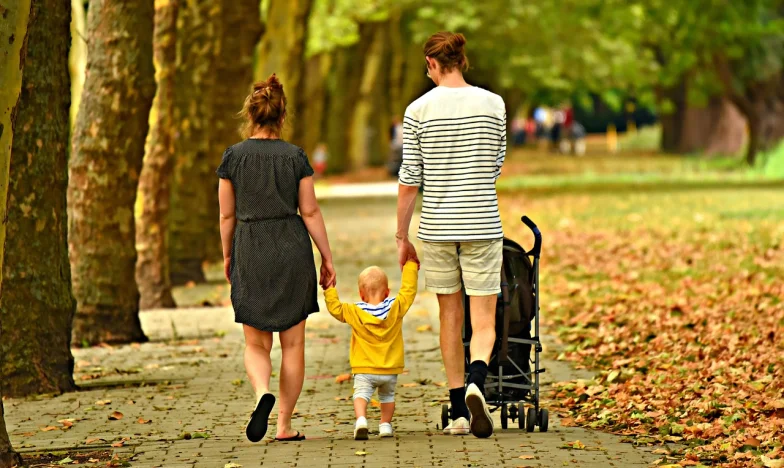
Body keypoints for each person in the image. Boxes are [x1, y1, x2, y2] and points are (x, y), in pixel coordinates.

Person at [395, 31, 506, 439]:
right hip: (481, 222)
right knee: (483, 316)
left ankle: (459, 409)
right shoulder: (493, 104)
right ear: (462, 60)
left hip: (438, 228)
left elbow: (410, 179)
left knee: (449, 315)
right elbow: (496, 164)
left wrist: (401, 234)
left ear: (432, 64)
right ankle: (479, 378)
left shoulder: (417, 110)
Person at [217, 74, 336, 443]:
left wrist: (227, 255)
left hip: (250, 246)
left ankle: (260, 394)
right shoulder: (295, 156)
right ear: (282, 116)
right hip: (291, 246)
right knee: (294, 345)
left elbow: (226, 215)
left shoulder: (233, 158)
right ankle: (284, 425)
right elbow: (311, 212)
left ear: (250, 115)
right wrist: (327, 258)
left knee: (256, 344)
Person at [324, 261, 418, 440]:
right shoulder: (395, 307)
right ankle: (385, 426)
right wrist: (410, 266)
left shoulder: (354, 311)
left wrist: (329, 288)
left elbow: (335, 309)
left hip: (364, 369)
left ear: (361, 294)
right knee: (387, 396)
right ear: (387, 292)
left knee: (361, 395)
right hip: (390, 369)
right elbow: (409, 292)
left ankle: (361, 420)